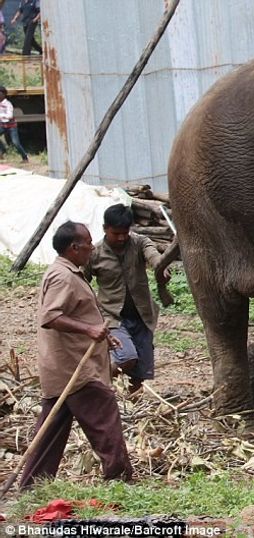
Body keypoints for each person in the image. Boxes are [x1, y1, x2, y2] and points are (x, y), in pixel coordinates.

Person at [20, 221, 133, 489]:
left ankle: (33, 485)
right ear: (74, 247)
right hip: (76, 369)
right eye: (88, 243)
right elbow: (51, 316)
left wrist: (103, 336)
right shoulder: (63, 276)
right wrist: (90, 329)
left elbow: (76, 313)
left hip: (62, 369)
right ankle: (119, 478)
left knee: (51, 429)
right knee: (104, 418)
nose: (92, 248)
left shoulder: (67, 272)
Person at [85, 204, 169, 394]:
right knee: (127, 358)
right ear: (105, 229)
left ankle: (131, 405)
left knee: (139, 374)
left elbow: (153, 255)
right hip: (112, 318)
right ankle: (93, 387)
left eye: (125, 233)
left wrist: (161, 267)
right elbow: (82, 282)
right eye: (116, 233)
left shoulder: (140, 243)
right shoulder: (95, 253)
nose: (121, 238)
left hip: (142, 316)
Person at [0, 86, 29, 162]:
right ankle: (2, 149)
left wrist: (1, 116)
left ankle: (25, 157)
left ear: (3, 94)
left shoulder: (8, 104)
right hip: (2, 125)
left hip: (11, 126)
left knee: (16, 143)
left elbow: (10, 116)